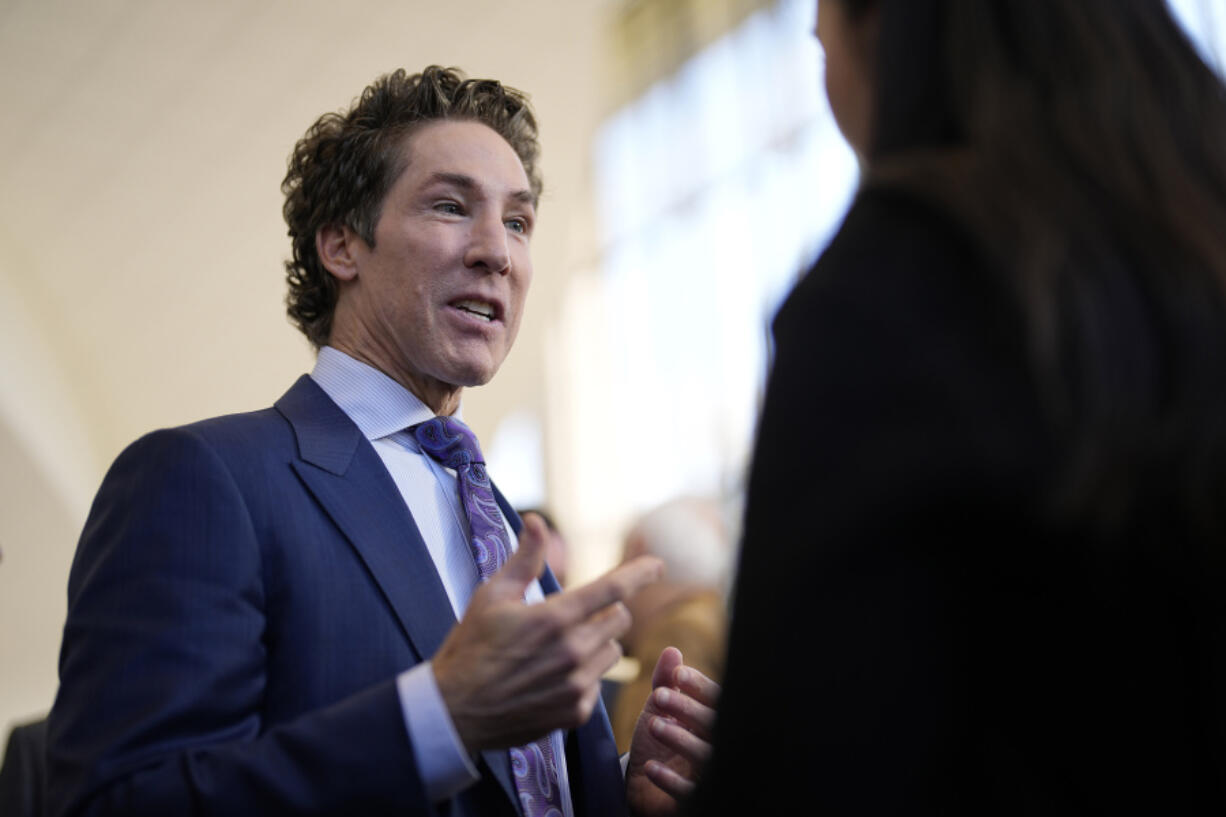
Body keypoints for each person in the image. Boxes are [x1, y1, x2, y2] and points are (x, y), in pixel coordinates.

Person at [47, 66, 717, 817]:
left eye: (519, 221)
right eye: (450, 206)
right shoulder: (202, 481)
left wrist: (621, 787)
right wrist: (441, 714)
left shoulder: (496, 515)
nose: (498, 251)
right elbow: (121, 800)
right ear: (341, 244)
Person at [692, 1, 1226, 814]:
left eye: (818, 40)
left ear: (880, 29)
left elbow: (805, 770)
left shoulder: (894, 294)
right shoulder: (1193, 237)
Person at [610, 498, 730, 753]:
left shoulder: (678, 634)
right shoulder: (711, 617)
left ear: (638, 553)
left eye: (620, 561)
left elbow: (639, 759)